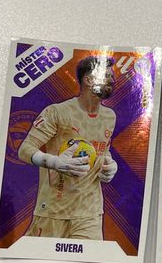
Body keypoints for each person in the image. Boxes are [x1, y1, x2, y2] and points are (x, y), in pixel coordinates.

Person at [18, 55, 118, 240]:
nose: (112, 79)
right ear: (88, 80)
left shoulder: (109, 117)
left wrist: (110, 164)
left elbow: (102, 149)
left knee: (89, 259)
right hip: (53, 211)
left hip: (90, 213)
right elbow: (25, 150)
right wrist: (54, 162)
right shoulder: (57, 112)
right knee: (40, 259)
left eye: (112, 75)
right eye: (106, 75)